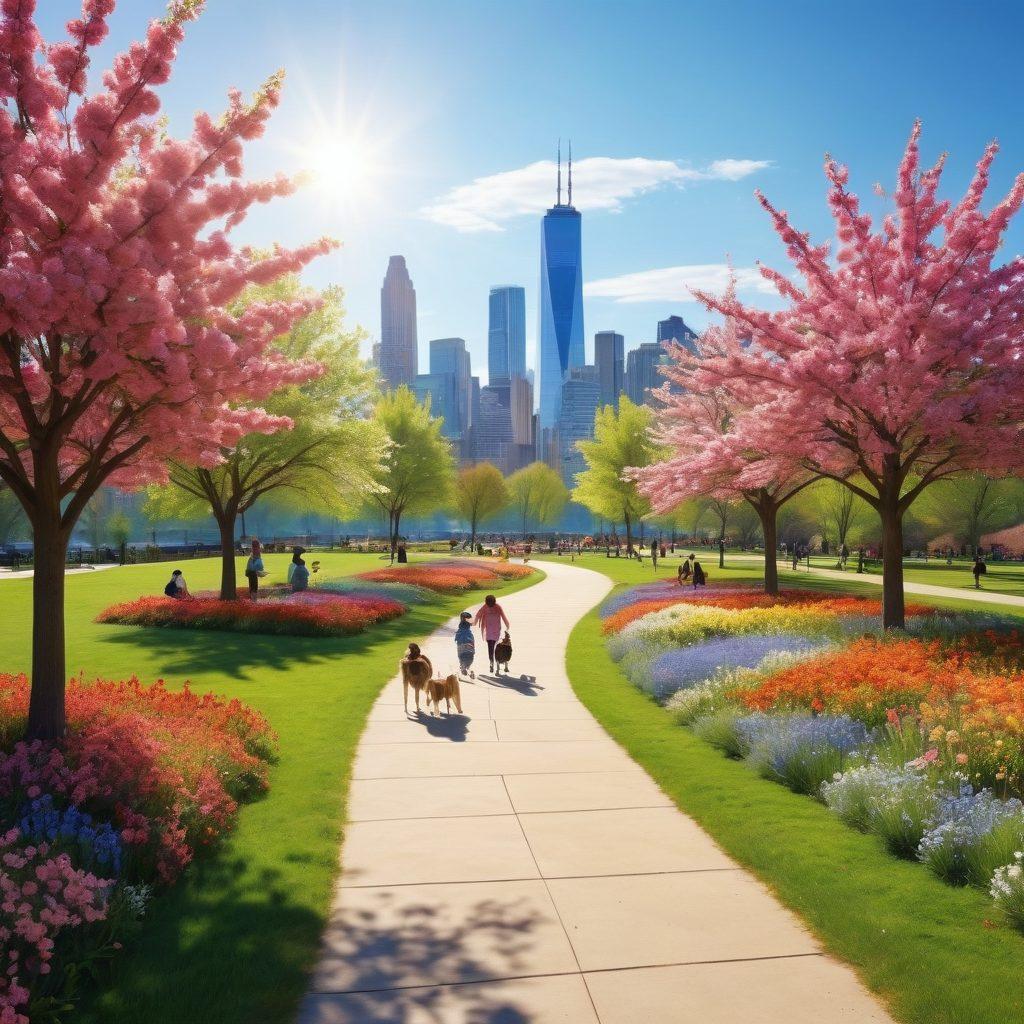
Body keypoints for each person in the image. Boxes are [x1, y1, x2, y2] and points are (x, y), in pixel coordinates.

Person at [474, 593, 510, 674]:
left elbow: (478, 615)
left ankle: (492, 663)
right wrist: (507, 626)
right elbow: (478, 615)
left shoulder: (490, 607)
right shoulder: (494, 607)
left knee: (492, 649)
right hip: (492, 632)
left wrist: (474, 623)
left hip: (493, 632)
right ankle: (493, 663)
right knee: (493, 648)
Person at [455, 611, 476, 678]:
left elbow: (457, 639)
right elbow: (473, 623)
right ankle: (468, 669)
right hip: (469, 647)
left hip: (462, 646)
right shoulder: (469, 632)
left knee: (462, 658)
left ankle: (463, 667)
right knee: (469, 659)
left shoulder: (460, 630)